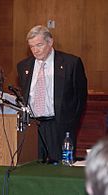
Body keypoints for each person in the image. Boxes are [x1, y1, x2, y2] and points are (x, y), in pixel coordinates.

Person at [17, 25, 87, 162]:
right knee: (32, 167)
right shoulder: (23, 66)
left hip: (59, 125)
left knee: (61, 168)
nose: (35, 50)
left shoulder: (70, 63)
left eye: (39, 45)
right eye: (32, 46)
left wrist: (70, 123)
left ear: (50, 42)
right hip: (33, 126)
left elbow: (81, 98)